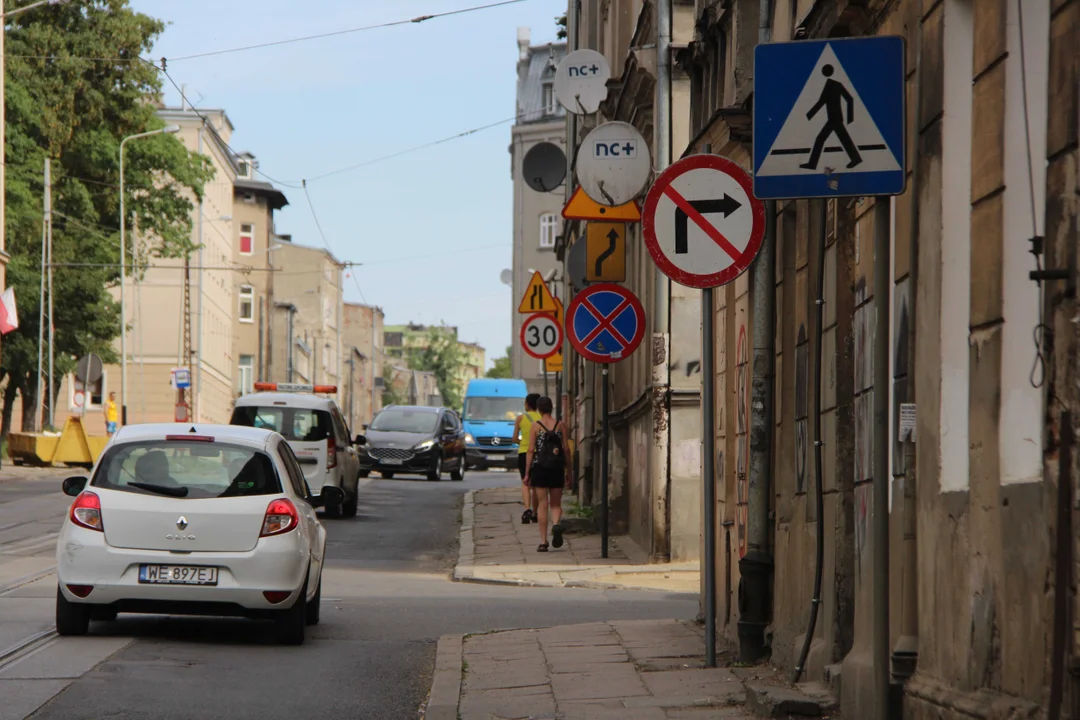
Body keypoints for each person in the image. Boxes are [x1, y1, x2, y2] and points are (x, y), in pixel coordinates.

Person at [524, 396, 572, 552]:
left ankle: (543, 542)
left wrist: (526, 473)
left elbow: (531, 450)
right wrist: (569, 470)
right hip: (556, 468)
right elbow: (566, 449)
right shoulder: (560, 426)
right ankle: (556, 524)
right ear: (551, 408)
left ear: (538, 409)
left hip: (540, 468)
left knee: (542, 505)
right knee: (556, 504)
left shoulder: (535, 426)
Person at [512, 393, 541, 523]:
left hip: (524, 453)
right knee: (535, 484)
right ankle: (535, 513)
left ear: (528, 404)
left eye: (525, 402)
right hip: (539, 454)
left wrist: (523, 442)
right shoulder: (542, 418)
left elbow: (514, 439)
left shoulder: (520, 418)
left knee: (525, 482)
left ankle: (527, 510)